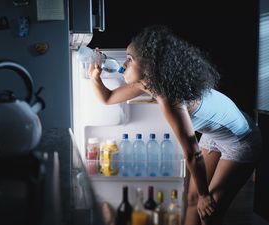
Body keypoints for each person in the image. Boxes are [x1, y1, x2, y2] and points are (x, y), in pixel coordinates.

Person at [88, 25, 262, 225]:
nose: (124, 63)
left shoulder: (171, 99)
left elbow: (193, 153)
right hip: (216, 134)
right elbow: (108, 98)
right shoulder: (149, 83)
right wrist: (95, 77)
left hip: (241, 140)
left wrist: (205, 195)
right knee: (192, 199)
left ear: (149, 67)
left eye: (130, 59)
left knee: (209, 209)